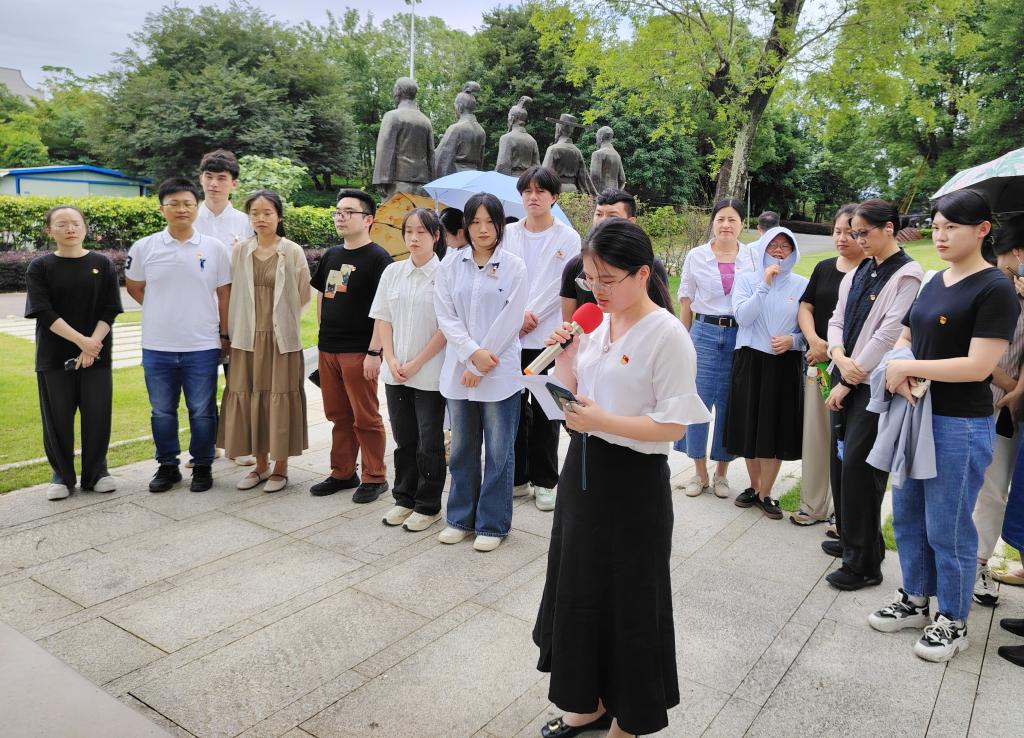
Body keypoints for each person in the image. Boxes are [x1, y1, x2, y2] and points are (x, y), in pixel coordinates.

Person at [533, 218, 711, 738]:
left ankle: (628, 719)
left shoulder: (667, 335)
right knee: (581, 589)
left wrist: (603, 422)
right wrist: (565, 357)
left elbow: (674, 426)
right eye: (590, 278)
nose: (598, 289)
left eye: (608, 278)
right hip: (583, 475)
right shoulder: (599, 325)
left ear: (642, 274)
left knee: (630, 600)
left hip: (632, 485)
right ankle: (586, 701)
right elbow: (570, 393)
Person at [867, 189, 1018, 663]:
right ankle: (915, 598)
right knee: (908, 513)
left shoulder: (994, 288)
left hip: (960, 423)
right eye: (935, 227)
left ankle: (953, 619)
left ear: (982, 230)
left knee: (948, 527)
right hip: (916, 414)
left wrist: (912, 371)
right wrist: (900, 364)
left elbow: (978, 366)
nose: (942, 235)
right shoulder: (934, 280)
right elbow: (907, 336)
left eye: (952, 226)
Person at [821, 200, 924, 590]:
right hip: (843, 372)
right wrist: (837, 355)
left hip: (872, 385)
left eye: (863, 232)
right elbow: (836, 318)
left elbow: (888, 334)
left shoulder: (908, 274)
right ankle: (854, 541)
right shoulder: (861, 269)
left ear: (889, 228)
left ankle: (864, 565)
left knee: (861, 471)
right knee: (841, 464)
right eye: (852, 232)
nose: (856, 239)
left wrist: (852, 375)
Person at [433, 193, 528, 552]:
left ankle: (492, 523)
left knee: (500, 451)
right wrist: (471, 356)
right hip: (460, 369)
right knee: (462, 449)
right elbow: (446, 316)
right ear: (466, 225)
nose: (483, 229)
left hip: (498, 371)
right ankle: (459, 518)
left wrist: (481, 361)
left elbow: (511, 317)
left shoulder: (514, 265)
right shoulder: (450, 264)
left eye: (490, 222)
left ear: (501, 226)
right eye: (476, 222)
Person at [126, 177, 232, 493]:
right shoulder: (145, 247)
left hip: (201, 344)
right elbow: (134, 287)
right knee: (161, 410)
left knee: (202, 410)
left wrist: (224, 335)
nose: (181, 209)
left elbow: (224, 294)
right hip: (157, 345)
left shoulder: (214, 249)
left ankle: (202, 465)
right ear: (162, 209)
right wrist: (162, 309)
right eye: (174, 204)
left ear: (195, 207)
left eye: (187, 203)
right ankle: (167, 466)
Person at [25, 205, 123, 500]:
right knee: (57, 418)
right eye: (61, 224)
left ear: (85, 227)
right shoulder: (39, 267)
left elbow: (110, 308)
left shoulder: (102, 263)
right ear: (49, 230)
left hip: (97, 353)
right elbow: (42, 310)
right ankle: (61, 476)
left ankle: (97, 472)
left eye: (75, 223)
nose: (70, 228)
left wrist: (93, 344)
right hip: (54, 357)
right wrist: (82, 342)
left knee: (97, 415)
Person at [218, 190, 310, 493]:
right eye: (255, 212)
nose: (261, 218)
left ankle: (280, 468)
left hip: (280, 339)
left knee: (279, 398)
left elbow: (303, 293)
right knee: (252, 398)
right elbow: (230, 292)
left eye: (267, 212)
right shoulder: (240, 251)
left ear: (279, 216)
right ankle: (259, 465)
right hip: (247, 338)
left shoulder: (292, 251)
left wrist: (281, 319)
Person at [502, 166, 582, 512]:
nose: (533, 197)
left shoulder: (568, 237)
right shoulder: (507, 233)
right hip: (511, 336)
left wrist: (529, 312)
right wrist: (516, 314)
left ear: (554, 197)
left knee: (548, 410)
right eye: (527, 191)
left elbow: (561, 286)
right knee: (513, 408)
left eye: (540, 191)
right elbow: (502, 276)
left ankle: (546, 480)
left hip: (549, 336)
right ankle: (518, 477)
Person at [309, 188, 394, 501]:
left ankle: (375, 476)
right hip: (328, 348)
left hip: (359, 351)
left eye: (348, 212)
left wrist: (375, 352)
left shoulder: (378, 259)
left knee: (365, 416)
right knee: (338, 415)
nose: (340, 217)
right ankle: (342, 472)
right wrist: (322, 335)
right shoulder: (332, 255)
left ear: (368, 219)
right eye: (338, 211)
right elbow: (322, 294)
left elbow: (384, 312)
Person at [674, 198, 759, 499]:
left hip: (740, 335)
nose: (726, 225)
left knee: (729, 404)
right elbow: (685, 301)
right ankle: (699, 473)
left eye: (732, 220)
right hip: (704, 332)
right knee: (699, 402)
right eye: (721, 219)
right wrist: (682, 341)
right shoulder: (697, 256)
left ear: (742, 224)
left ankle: (722, 472)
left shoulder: (751, 257)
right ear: (713, 222)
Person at [370, 208, 448, 532]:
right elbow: (383, 318)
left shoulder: (445, 276)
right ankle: (404, 498)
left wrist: (416, 362)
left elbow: (446, 328)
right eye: (409, 231)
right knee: (403, 438)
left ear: (436, 236)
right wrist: (389, 358)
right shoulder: (392, 272)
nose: (414, 238)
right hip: (395, 370)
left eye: (422, 232)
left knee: (428, 441)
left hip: (429, 372)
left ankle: (428, 506)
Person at [724, 226, 808, 518]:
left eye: (786, 246)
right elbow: (743, 316)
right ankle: (753, 485)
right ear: (762, 249)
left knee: (775, 428)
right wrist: (764, 283)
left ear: (794, 252)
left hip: (784, 362)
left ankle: (766, 493)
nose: (779, 251)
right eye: (774, 245)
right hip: (750, 360)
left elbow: (808, 330)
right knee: (750, 425)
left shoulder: (801, 285)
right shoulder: (746, 279)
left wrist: (793, 341)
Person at [793, 205, 862, 526]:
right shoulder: (823, 268)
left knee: (848, 442)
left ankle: (844, 511)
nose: (843, 238)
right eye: (837, 231)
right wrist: (814, 342)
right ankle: (813, 505)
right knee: (817, 437)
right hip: (817, 367)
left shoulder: (871, 273)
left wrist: (832, 351)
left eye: (851, 231)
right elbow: (806, 306)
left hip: (853, 372)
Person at [971, 215, 1024, 606]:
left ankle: (979, 563)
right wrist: (1010, 385)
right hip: (970, 401)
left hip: (1007, 414)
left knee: (995, 491)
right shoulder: (983, 285)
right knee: (962, 487)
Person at [195, 148, 256, 468]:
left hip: (237, 313)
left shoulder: (246, 223)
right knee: (201, 383)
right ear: (200, 179)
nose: (214, 184)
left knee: (239, 383)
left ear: (233, 184)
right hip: (198, 314)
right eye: (209, 177)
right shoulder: (189, 218)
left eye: (222, 178)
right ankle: (205, 448)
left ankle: (239, 444)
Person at [559, 189, 672, 321]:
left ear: (631, 222)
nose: (603, 221)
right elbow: (569, 324)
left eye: (608, 281)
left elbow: (659, 312)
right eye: (599, 214)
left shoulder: (648, 265)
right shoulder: (575, 265)